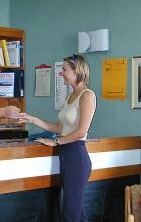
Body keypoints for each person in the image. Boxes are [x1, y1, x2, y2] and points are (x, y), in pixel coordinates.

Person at [18, 54, 96, 222]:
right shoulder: (71, 96)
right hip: (66, 155)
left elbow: (81, 132)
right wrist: (33, 119)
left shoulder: (87, 95)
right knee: (76, 212)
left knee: (71, 213)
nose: (61, 73)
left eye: (64, 70)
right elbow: (60, 127)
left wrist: (56, 141)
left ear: (77, 71)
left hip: (77, 156)